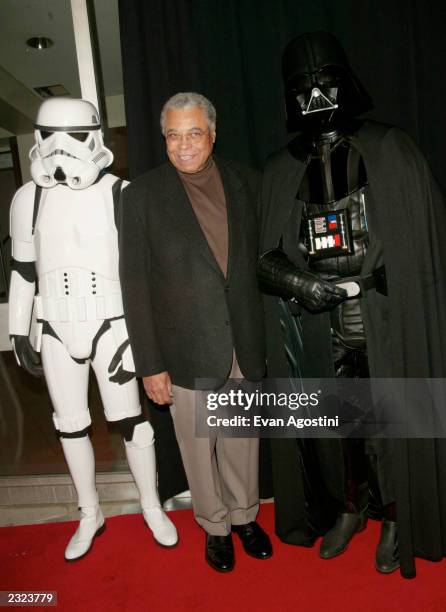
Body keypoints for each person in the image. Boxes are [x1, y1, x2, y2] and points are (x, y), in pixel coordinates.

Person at [257, 31, 446, 578]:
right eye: (303, 88)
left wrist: (380, 284)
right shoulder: (280, 168)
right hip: (319, 324)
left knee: (390, 420)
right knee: (335, 425)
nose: (316, 97)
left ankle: (393, 513)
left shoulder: (390, 149)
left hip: (384, 314)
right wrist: (298, 284)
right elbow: (263, 256)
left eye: (326, 84)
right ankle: (349, 507)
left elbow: (424, 244)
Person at [9, 97, 177, 561]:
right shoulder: (29, 198)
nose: (61, 150)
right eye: (50, 136)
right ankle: (89, 513)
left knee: (132, 420)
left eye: (74, 136)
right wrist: (18, 327)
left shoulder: (121, 194)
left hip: (113, 324)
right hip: (57, 326)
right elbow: (22, 268)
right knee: (69, 425)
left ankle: (149, 505)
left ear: (95, 136)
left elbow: (143, 274)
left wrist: (149, 336)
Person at [119, 92, 272, 572]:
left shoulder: (249, 182)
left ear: (212, 133)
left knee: (242, 442)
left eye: (193, 133)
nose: (183, 145)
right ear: (164, 138)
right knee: (196, 446)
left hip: (243, 341)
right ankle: (215, 525)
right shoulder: (140, 195)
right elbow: (135, 283)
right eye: (173, 134)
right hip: (182, 348)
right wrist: (149, 365)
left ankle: (246, 517)